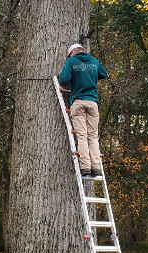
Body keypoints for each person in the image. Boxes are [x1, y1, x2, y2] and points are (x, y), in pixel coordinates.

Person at [59, 43, 108, 177]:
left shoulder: (71, 61)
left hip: (78, 102)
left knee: (82, 135)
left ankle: (85, 167)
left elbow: (64, 79)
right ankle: (96, 167)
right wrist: (89, 75)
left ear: (72, 52)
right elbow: (103, 74)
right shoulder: (94, 61)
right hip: (93, 103)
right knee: (93, 136)